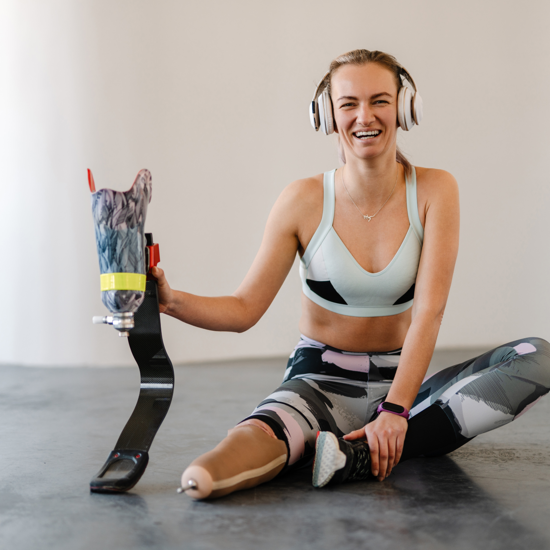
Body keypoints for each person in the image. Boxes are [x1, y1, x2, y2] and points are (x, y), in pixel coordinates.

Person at [152, 49, 550, 499]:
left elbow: (429, 314)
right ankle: (349, 449)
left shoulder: (437, 190)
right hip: (318, 383)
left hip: (402, 390)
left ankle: (355, 452)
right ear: (326, 114)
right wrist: (170, 299)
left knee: (538, 357)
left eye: (380, 100)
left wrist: (396, 410)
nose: (366, 116)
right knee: (226, 460)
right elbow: (244, 309)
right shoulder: (302, 200)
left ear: (404, 107)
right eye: (349, 104)